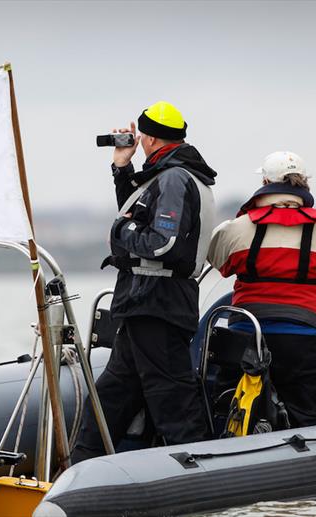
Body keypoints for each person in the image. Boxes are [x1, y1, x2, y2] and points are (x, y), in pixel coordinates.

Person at [72, 101, 217, 463]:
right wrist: (122, 167)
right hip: (144, 303)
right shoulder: (170, 175)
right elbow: (136, 210)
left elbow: (161, 242)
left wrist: (122, 230)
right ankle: (81, 466)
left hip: (158, 301)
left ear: (149, 137)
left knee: (172, 398)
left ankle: (199, 473)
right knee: (113, 393)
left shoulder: (174, 178)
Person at [207, 151, 316, 427]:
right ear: (303, 184)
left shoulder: (240, 226)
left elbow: (218, 260)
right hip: (302, 338)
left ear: (265, 181)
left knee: (227, 407)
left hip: (246, 334)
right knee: (309, 416)